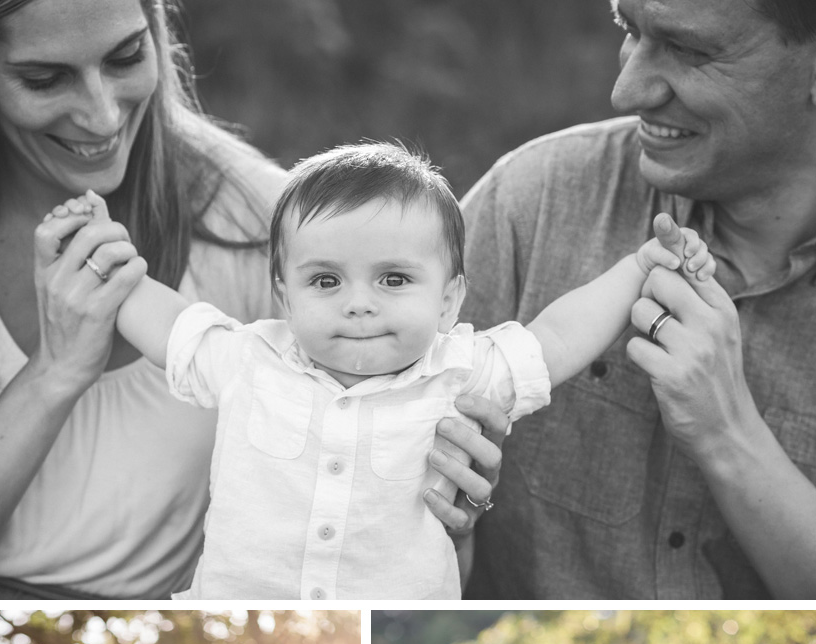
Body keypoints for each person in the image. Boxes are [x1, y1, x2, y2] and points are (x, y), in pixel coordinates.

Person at [0, 0, 502, 599]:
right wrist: (55, 373)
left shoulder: (266, 225)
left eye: (126, 57)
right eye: (44, 79)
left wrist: (440, 507)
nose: (100, 115)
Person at [40, 156, 712, 599]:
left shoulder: (461, 370)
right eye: (325, 280)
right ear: (283, 296)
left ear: (449, 299)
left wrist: (640, 268)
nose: (359, 302)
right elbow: (163, 317)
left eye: (394, 279)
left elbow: (558, 337)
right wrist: (99, 243)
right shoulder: (249, 359)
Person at [461, 0, 816, 598]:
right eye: (628, 29)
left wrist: (727, 432)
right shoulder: (530, 202)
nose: (625, 92)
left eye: (690, 50)